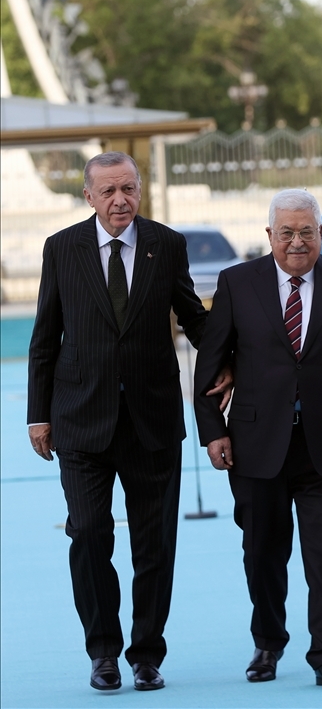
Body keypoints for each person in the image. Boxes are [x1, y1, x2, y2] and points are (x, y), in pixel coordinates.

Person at [27, 151, 230, 692]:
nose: (121, 201)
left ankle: (145, 655)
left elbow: (192, 315)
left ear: (140, 191)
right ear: (89, 197)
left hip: (153, 421)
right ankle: (103, 652)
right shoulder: (62, 248)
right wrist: (37, 417)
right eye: (109, 191)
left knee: (154, 545)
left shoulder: (167, 244)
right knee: (89, 533)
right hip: (80, 421)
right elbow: (45, 336)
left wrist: (229, 361)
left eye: (129, 189)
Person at [193, 189, 322, 689]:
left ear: (321, 234)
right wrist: (212, 432)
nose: (298, 241)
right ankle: (268, 643)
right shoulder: (238, 283)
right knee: (263, 551)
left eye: (307, 231)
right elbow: (211, 365)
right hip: (256, 444)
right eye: (287, 232)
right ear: (270, 236)